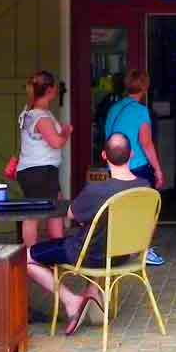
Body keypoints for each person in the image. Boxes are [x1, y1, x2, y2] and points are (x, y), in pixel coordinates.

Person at [27, 133, 150, 336]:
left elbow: (70, 214)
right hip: (123, 256)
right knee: (99, 239)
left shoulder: (96, 190)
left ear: (104, 155)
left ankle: (71, 301)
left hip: (88, 255)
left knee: (26, 256)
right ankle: (92, 292)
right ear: (132, 154)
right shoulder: (144, 188)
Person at [104, 69, 165, 266]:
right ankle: (143, 250)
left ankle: (121, 249)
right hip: (136, 166)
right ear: (145, 87)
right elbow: (146, 143)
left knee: (121, 208)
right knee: (148, 209)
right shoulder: (140, 111)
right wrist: (157, 169)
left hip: (114, 166)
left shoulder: (114, 108)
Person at [17, 70, 73, 247]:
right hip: (40, 170)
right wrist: (65, 132)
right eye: (55, 86)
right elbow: (56, 142)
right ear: (49, 90)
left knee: (54, 208)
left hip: (37, 170)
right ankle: (30, 255)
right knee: (35, 214)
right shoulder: (41, 117)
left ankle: (56, 247)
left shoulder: (29, 112)